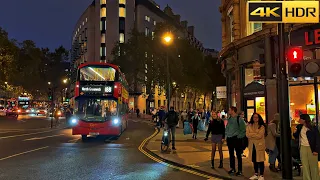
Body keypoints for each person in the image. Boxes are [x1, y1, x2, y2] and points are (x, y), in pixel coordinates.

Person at [293, 114, 320, 180]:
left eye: (300, 119)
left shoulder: (313, 127)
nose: (299, 120)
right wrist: (294, 132)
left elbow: (318, 139)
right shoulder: (299, 127)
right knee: (305, 165)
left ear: (304, 120)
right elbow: (296, 136)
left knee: (313, 166)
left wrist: (316, 150)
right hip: (303, 147)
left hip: (312, 148)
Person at [225, 106, 246, 176]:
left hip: (236, 139)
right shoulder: (230, 118)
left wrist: (239, 136)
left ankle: (240, 170)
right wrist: (226, 136)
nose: (228, 111)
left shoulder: (239, 119)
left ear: (233, 111)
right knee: (231, 155)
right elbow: (227, 127)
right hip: (230, 139)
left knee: (238, 155)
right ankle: (232, 168)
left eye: (229, 110)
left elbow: (243, 129)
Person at [246, 113, 266, 180]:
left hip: (259, 145)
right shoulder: (249, 125)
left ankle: (262, 175)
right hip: (252, 145)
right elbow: (247, 134)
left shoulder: (262, 126)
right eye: (254, 117)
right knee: (254, 160)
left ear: (259, 118)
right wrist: (255, 134)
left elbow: (260, 136)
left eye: (257, 117)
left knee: (260, 160)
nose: (255, 118)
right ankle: (256, 173)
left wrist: (252, 135)